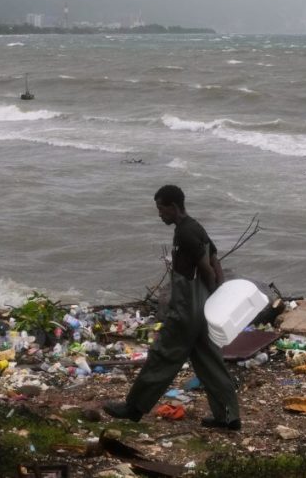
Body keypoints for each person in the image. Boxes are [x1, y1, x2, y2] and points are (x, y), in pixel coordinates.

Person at [103, 184, 241, 430]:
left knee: (162, 356)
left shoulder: (185, 233)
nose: (159, 214)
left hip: (187, 309)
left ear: (173, 206)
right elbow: (215, 260)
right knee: (210, 362)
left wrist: (214, 292)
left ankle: (133, 408)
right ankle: (229, 417)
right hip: (202, 309)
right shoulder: (195, 227)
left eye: (161, 209)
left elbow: (207, 268)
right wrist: (217, 296)